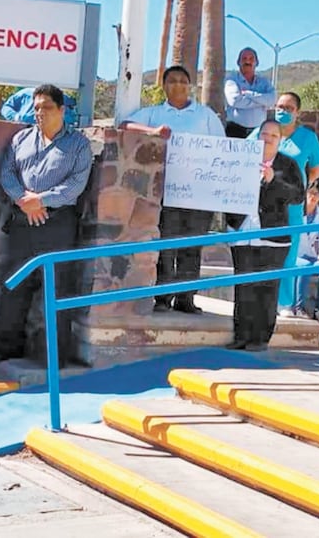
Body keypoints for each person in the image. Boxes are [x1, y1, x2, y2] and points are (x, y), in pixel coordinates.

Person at [0, 84, 92, 363]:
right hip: (22, 221)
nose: (39, 113)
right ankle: (7, 351)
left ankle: (52, 357)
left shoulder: (79, 144)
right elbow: (8, 172)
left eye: (46, 107)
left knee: (56, 287)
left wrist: (41, 200)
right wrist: (24, 199)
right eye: (36, 108)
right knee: (15, 285)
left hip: (57, 224)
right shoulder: (20, 139)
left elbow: (76, 185)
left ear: (62, 110)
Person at [120, 65, 225, 314]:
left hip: (199, 194)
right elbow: (124, 126)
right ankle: (163, 298)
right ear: (164, 86)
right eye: (172, 81)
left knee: (192, 247)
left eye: (182, 80)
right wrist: (153, 132)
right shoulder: (154, 113)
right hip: (165, 192)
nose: (177, 85)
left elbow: (222, 146)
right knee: (166, 244)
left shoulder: (205, 115)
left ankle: (186, 299)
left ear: (190, 86)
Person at [226, 120, 304, 351]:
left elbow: (298, 196)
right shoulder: (242, 160)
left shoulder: (288, 164)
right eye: (264, 134)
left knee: (267, 289)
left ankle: (260, 339)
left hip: (273, 236)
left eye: (273, 135)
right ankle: (241, 336)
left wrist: (273, 180)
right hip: (243, 233)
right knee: (243, 287)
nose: (268, 139)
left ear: (280, 140)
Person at [256, 92, 319, 317]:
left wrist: (305, 184)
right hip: (263, 205)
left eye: (288, 108)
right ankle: (259, 301)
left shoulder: (307, 137)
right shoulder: (264, 131)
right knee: (259, 252)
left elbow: (317, 167)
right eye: (279, 106)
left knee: (288, 253)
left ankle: (284, 303)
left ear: (297, 112)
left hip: (292, 205)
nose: (282, 111)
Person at [293, 179, 319, 320]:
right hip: (296, 254)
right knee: (305, 266)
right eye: (310, 193)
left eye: (316, 193)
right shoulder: (297, 212)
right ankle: (298, 307)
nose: (313, 196)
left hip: (312, 254)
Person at [224, 47, 276, 138]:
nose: (247, 61)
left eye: (251, 59)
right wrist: (262, 102)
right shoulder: (231, 80)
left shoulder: (264, 82)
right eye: (244, 59)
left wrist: (249, 94)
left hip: (258, 131)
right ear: (238, 62)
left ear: (257, 63)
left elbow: (272, 100)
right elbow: (235, 101)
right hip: (235, 130)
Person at [1, 87, 78, 127]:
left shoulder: (65, 100)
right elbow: (6, 107)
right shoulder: (26, 94)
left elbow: (72, 119)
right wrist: (16, 117)